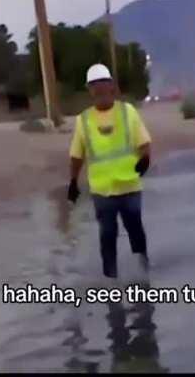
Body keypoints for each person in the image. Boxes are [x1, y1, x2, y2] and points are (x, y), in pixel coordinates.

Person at [67, 63, 151, 279]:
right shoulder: (83, 120)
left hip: (130, 184)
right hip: (102, 190)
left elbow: (144, 143)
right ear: (89, 89)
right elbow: (77, 155)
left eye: (103, 83)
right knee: (107, 234)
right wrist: (73, 182)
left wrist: (145, 160)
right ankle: (111, 279)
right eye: (94, 85)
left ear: (112, 86)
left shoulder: (127, 112)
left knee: (135, 229)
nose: (100, 89)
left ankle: (143, 271)